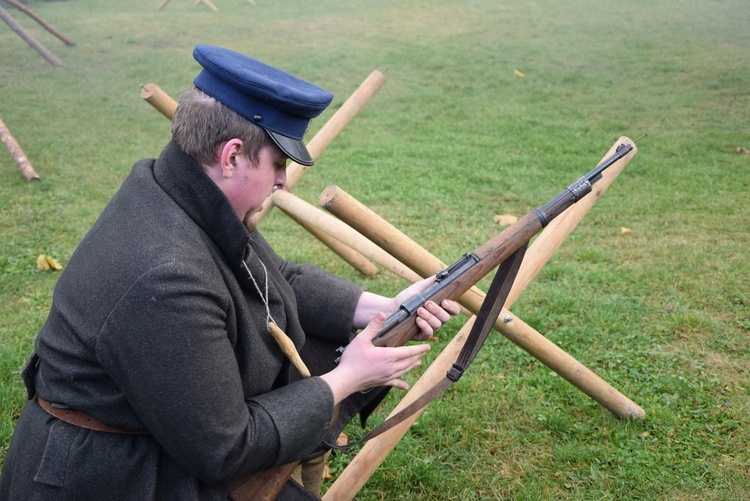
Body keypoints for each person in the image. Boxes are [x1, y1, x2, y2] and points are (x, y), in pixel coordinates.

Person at [0, 45, 459, 500]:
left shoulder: (180, 189)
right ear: (232, 155)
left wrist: (387, 307)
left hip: (153, 437)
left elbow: (278, 279)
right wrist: (347, 378)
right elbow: (225, 448)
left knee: (325, 352)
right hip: (110, 473)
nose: (281, 180)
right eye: (277, 163)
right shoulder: (166, 274)